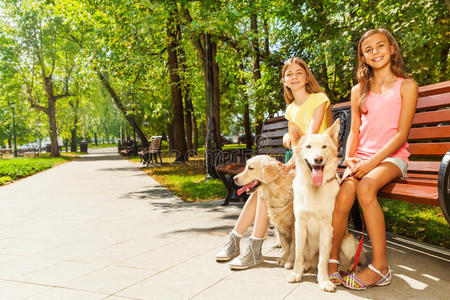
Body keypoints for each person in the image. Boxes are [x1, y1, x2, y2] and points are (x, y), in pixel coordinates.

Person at [216, 57, 332, 269]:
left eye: (299, 72)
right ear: (284, 81)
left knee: (264, 186)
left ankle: (254, 247)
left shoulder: (319, 99)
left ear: (307, 76)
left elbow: (310, 139)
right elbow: (293, 136)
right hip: (297, 160)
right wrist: (286, 139)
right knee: (262, 183)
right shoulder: (291, 109)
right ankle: (235, 239)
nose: (294, 77)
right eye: (289, 74)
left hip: (314, 162)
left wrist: (290, 162)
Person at [327, 28, 418, 290]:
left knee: (366, 187)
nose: (375, 52)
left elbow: (401, 135)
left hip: (392, 158)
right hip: (363, 158)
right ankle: (333, 258)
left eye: (380, 46)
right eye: (368, 49)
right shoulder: (359, 90)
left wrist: (371, 164)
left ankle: (380, 267)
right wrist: (350, 158)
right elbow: (354, 130)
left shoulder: (407, 86)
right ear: (363, 57)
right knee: (343, 197)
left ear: (391, 49)